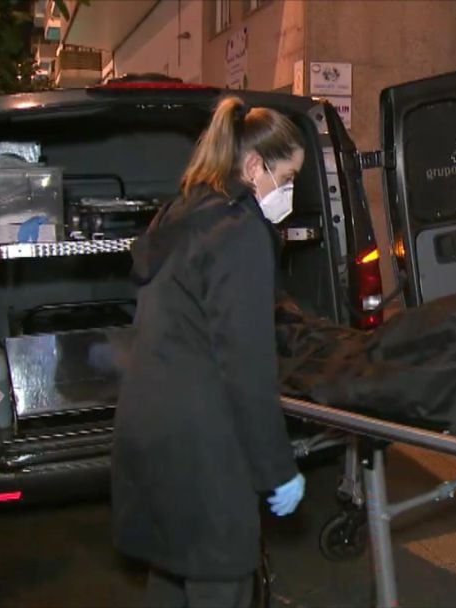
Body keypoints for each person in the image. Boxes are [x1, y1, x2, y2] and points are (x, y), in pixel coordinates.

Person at [112, 96, 307, 608]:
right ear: (253, 166)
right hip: (202, 446)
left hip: (149, 431)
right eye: (285, 180)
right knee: (220, 580)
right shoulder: (240, 232)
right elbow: (246, 368)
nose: (288, 194)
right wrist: (275, 468)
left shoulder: (183, 212)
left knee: (173, 575)